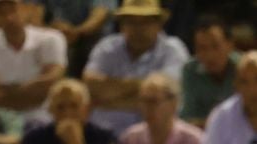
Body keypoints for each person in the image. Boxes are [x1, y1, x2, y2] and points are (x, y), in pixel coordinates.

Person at [80, 1, 187, 135]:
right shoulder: (107, 47)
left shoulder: (173, 49)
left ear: (159, 24)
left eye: (145, 22)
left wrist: (109, 102)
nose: (138, 28)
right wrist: (144, 90)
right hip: (102, 135)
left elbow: (163, 97)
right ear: (122, 25)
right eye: (131, 22)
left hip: (152, 138)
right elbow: (91, 84)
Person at [0, 0, 67, 125]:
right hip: (2, 122)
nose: (9, 18)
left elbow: (52, 82)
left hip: (47, 118)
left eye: (13, 10)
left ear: (26, 9)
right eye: (0, 13)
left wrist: (7, 90)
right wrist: (30, 89)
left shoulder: (51, 39)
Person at [179, 13, 239, 127]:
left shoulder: (244, 69)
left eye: (215, 46)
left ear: (230, 45)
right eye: (202, 48)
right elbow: (187, 120)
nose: (210, 55)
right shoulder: (190, 70)